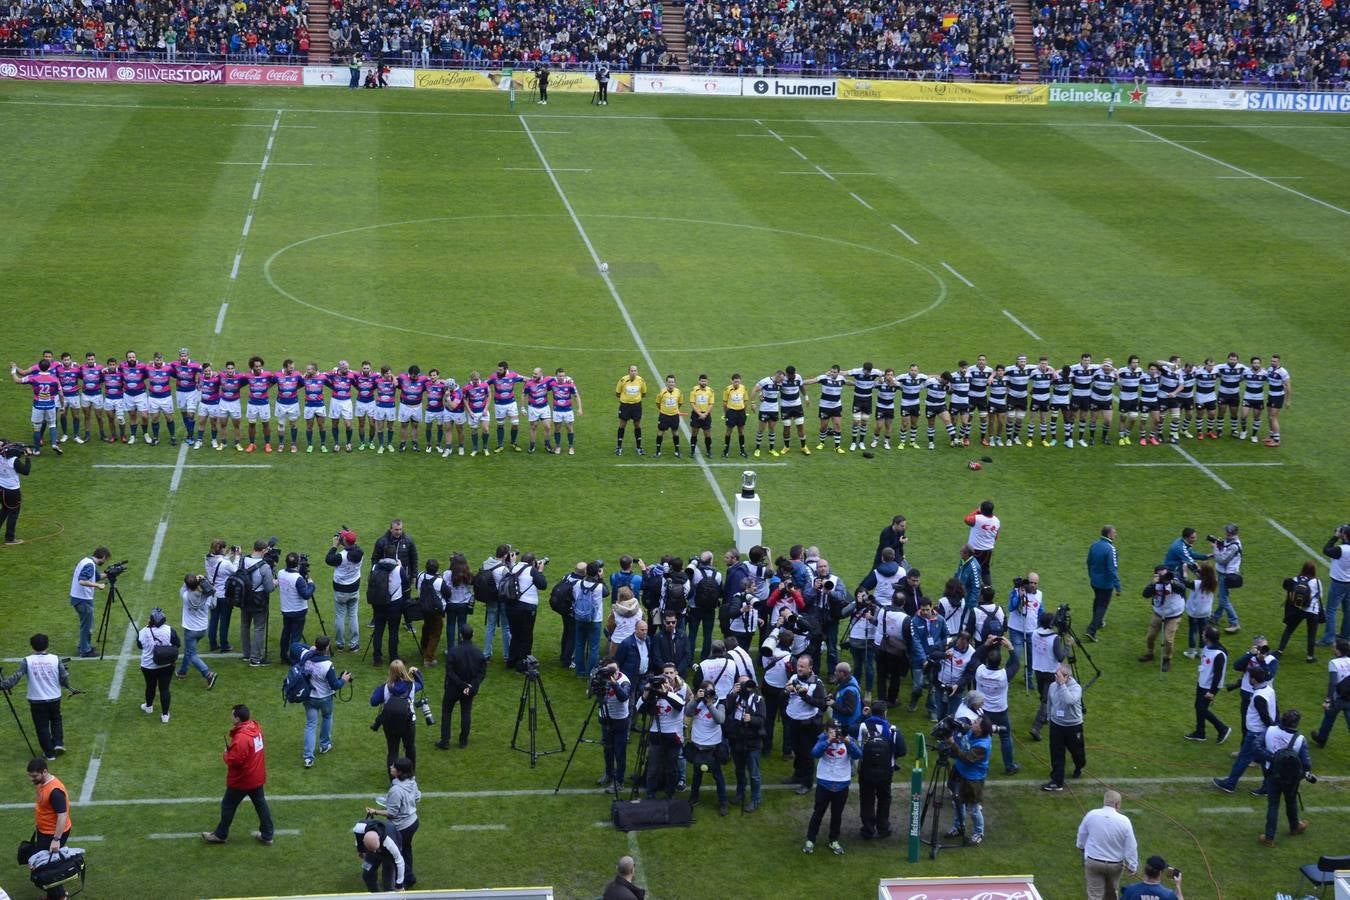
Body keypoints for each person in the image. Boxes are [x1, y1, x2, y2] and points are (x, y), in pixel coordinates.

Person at [202, 704, 274, 846]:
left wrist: (226, 753)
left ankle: (220, 835)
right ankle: (267, 835)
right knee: (260, 803)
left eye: (232, 715)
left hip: (243, 779)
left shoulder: (241, 737)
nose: (231, 716)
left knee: (228, 804)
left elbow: (235, 761)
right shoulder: (256, 728)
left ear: (238, 718)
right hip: (256, 775)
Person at [1, 635, 71, 760]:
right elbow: (64, 676)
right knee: (56, 720)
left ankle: (49, 754)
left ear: (32, 646)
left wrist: (4, 685)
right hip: (55, 697)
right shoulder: (55, 658)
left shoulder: (27, 660)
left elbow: (15, 677)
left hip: (37, 700)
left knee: (41, 726)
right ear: (47, 645)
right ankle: (58, 743)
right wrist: (66, 686)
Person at [1212, 664, 1276, 793]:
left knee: (1243, 758)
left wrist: (1271, 728)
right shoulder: (1269, 689)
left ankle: (1230, 784)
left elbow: (1264, 717)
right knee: (1265, 761)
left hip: (1256, 733)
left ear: (1253, 679)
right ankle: (1267, 786)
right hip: (1264, 732)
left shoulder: (1259, 697)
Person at [802, 720, 861, 855]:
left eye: (837, 729)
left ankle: (833, 840)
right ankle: (810, 840)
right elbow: (814, 753)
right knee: (818, 812)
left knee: (837, 814)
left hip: (842, 782)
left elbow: (858, 754)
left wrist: (848, 742)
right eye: (832, 729)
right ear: (827, 730)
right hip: (824, 781)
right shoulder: (823, 738)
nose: (836, 732)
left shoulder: (848, 739)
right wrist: (828, 741)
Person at [293, 636, 351, 767]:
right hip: (324, 698)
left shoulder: (306, 657)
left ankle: (308, 758)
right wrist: (344, 679)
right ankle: (324, 745)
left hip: (309, 697)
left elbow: (294, 645)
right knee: (327, 716)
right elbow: (335, 685)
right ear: (326, 648)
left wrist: (309, 648)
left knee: (310, 725)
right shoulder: (327, 665)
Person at [1258, 709, 1313, 846]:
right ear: (1296, 724)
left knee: (1273, 805)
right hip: (1291, 777)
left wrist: (1272, 758)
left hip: (1271, 773)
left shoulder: (1269, 730)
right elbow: (1306, 764)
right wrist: (1300, 775)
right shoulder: (1300, 740)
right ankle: (1294, 826)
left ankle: (1269, 838)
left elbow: (1257, 747)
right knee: (1291, 801)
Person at [364, 757, 420, 887]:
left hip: (401, 827)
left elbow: (392, 813)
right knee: (406, 849)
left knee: (396, 855)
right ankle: (409, 877)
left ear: (400, 772)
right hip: (413, 822)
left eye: (393, 767)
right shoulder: (412, 781)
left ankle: (402, 880)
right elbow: (417, 797)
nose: (391, 767)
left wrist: (375, 811)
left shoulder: (396, 790)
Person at [967, 636, 1019, 774]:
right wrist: (1011, 648)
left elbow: (974, 658)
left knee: (980, 736)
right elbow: (1015, 664)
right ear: (1000, 662)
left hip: (982, 711)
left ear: (987, 660)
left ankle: (976, 761)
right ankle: (1009, 766)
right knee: (1005, 736)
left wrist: (986, 644)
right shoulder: (1004, 675)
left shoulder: (980, 671)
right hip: (1000, 711)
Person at [1076, 790, 1138, 900]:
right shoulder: (1124, 821)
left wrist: (1081, 846)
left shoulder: (1091, 815)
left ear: (1104, 801)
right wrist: (1132, 865)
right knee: (1111, 896)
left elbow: (1082, 834)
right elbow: (1131, 846)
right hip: (1115, 865)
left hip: (1094, 862)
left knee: (1094, 896)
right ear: (1117, 804)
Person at [856, 700, 905, 839]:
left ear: (871, 712)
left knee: (866, 799)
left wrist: (862, 716)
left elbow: (849, 730)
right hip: (885, 771)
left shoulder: (863, 726)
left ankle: (868, 829)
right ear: (885, 713)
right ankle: (883, 828)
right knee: (884, 799)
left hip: (866, 769)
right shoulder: (892, 729)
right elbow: (903, 750)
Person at [639, 662, 687, 799]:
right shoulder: (653, 698)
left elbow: (679, 705)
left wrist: (665, 694)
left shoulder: (677, 695)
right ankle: (650, 793)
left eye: (665, 683)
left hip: (673, 737)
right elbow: (639, 708)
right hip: (656, 736)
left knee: (671, 768)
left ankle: (670, 793)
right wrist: (647, 692)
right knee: (653, 767)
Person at [26, 757, 73, 897]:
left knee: (45, 867)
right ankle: (57, 893)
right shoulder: (42, 782)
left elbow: (62, 816)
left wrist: (56, 839)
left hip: (53, 834)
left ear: (44, 772)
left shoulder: (55, 792)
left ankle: (59, 896)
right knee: (44, 864)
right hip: (44, 831)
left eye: (34, 776)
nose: (32, 779)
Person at [783, 654, 828, 794]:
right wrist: (786, 691)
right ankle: (797, 775)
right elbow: (784, 697)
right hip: (793, 720)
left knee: (807, 753)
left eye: (803, 666)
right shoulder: (793, 678)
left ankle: (807, 783)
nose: (799, 669)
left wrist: (805, 696)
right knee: (796, 749)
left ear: (810, 667)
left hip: (808, 723)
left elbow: (823, 705)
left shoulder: (817, 683)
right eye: (798, 666)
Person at [437, 623, 486, 750]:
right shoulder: (479, 653)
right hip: (469, 688)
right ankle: (463, 741)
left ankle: (445, 740)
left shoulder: (453, 652)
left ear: (460, 636)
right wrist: (470, 686)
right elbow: (482, 673)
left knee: (447, 711)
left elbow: (450, 672)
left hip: (453, 687)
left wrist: (462, 684)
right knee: (466, 712)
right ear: (472, 635)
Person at [684, 680, 729, 815]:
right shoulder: (697, 703)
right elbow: (688, 712)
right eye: (705, 691)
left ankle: (723, 802)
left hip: (713, 748)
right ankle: (694, 797)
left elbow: (720, 719)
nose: (708, 694)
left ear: (714, 692)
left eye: (710, 691)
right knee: (697, 775)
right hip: (697, 746)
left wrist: (709, 705)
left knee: (718, 776)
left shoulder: (719, 704)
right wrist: (696, 698)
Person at [944, 714, 991, 845]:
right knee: (957, 802)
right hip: (959, 772)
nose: (973, 722)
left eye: (976, 722)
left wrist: (952, 744)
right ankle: (958, 826)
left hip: (972, 780)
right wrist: (953, 721)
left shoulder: (982, 746)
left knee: (974, 808)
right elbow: (963, 727)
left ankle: (978, 833)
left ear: (980, 729)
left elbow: (966, 757)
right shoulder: (973, 731)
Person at [371, 660, 423, 770]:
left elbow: (373, 702)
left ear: (390, 672)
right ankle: (410, 776)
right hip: (408, 722)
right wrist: (416, 672)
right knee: (409, 748)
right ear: (403, 670)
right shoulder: (412, 686)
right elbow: (421, 684)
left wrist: (378, 689)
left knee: (392, 751)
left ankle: (393, 779)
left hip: (390, 723)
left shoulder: (385, 687)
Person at [1184, 626, 1232, 744]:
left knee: (1201, 709)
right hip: (1202, 682)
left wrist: (1212, 691)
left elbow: (1218, 675)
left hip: (1209, 686)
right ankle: (1200, 733)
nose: (1202, 634)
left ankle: (1222, 729)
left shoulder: (1219, 654)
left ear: (1208, 637)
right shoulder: (1208, 647)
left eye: (1204, 633)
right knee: (1199, 707)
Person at [1041, 664, 1085, 790]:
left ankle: (1079, 765)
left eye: (1059, 675)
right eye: (1056, 674)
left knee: (1077, 752)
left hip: (1073, 726)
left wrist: (1062, 685)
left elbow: (1069, 700)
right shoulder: (1052, 686)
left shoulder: (1076, 688)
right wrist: (1050, 718)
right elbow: (1049, 703)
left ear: (1067, 677)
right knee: (1056, 753)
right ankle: (1057, 781)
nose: (1056, 677)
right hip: (1056, 725)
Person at [725, 675, 765, 810]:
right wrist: (732, 694)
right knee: (739, 770)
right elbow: (727, 710)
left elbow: (762, 720)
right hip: (737, 740)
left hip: (752, 742)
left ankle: (755, 799)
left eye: (747, 683)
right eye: (742, 683)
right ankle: (740, 793)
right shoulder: (734, 697)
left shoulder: (758, 699)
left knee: (754, 773)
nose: (745, 686)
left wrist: (751, 719)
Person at [503, 552, 548, 670]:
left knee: (515, 635)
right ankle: (522, 664)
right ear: (533, 562)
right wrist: (540, 571)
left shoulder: (514, 567)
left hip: (511, 606)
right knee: (526, 636)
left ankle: (511, 661)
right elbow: (543, 585)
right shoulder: (532, 571)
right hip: (526, 608)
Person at [592, 658, 632, 787]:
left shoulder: (624, 681)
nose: (612, 673)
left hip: (620, 721)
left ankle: (619, 780)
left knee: (619, 752)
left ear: (619, 669)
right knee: (607, 749)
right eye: (609, 670)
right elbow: (589, 693)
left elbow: (623, 697)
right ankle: (609, 773)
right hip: (605, 718)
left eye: (614, 670)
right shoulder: (600, 677)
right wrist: (594, 679)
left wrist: (614, 683)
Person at [1139, 566, 1187, 672]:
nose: (1164, 577)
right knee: (1150, 636)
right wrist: (1153, 584)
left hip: (1174, 614)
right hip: (1159, 613)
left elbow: (1183, 588)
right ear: (1156, 575)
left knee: (1168, 639)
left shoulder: (1173, 580)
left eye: (1166, 574)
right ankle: (1150, 653)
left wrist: (1171, 582)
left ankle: (1166, 659)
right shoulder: (1154, 584)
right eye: (1161, 575)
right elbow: (1145, 594)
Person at [137, 607, 179, 723]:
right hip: (166, 665)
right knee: (164, 689)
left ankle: (149, 707)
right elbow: (177, 644)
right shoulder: (170, 630)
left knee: (150, 686)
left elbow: (140, 646)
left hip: (148, 666)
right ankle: (165, 715)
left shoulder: (142, 631)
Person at [238, 540, 277, 667]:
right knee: (259, 628)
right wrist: (275, 583)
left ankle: (246, 654)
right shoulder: (264, 566)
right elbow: (269, 588)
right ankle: (255, 658)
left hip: (244, 597)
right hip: (258, 600)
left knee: (245, 625)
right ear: (263, 551)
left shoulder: (243, 561)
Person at [178, 573, 219, 689]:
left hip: (190, 630)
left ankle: (208, 674)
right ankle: (182, 671)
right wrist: (206, 583)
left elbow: (184, 587)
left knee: (192, 655)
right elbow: (214, 605)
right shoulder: (206, 596)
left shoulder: (185, 595)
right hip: (202, 629)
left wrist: (193, 580)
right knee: (189, 650)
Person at [326, 529, 364, 653]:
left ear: (344, 542)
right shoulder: (360, 554)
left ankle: (340, 644)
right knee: (353, 615)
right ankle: (354, 644)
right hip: (354, 588)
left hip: (341, 589)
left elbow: (328, 559)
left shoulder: (340, 556)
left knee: (340, 616)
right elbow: (354, 546)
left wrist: (334, 546)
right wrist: (349, 536)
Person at [368, 545, 406, 667]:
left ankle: (377, 658)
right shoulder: (399, 569)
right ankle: (393, 657)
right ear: (395, 555)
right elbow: (405, 584)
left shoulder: (375, 567)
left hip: (378, 602)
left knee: (378, 629)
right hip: (395, 603)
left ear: (384, 554)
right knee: (393, 631)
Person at [68, 547, 109, 658]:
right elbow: (82, 580)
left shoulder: (87, 561)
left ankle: (84, 646)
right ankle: (85, 650)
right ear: (103, 557)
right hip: (83, 599)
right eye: (106, 559)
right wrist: (98, 585)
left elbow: (96, 577)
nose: (105, 562)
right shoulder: (90, 565)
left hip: (78, 598)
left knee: (85, 624)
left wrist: (109, 573)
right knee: (87, 626)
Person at [1278, 562, 1323, 662]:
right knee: (1311, 634)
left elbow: (1289, 592)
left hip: (1298, 609)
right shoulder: (1317, 581)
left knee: (1289, 630)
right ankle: (1310, 657)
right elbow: (1320, 596)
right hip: (1313, 611)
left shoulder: (1295, 579)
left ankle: (1279, 651)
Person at [277, 552, 316, 664]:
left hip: (286, 609)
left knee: (286, 633)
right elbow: (306, 595)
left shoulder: (280, 573)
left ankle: (283, 656)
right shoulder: (298, 579)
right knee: (295, 637)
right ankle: (294, 659)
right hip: (298, 611)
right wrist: (311, 584)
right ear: (298, 564)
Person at [1311, 639, 1350, 748]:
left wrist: (1328, 699)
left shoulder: (1334, 663)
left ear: (1338, 651)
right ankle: (1321, 738)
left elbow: (1333, 682)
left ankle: (1321, 739)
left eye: (1334, 647)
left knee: (1329, 717)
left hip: (1338, 697)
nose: (1333, 648)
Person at [1006, 572, 1042, 689]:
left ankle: (1029, 678)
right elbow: (1011, 607)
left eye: (1035, 583)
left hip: (1031, 630)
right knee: (1016, 654)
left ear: (1038, 584)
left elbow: (1040, 610)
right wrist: (1019, 595)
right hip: (1016, 629)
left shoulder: (1040, 595)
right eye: (1030, 582)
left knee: (1031, 656)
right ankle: (1006, 676)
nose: (1032, 585)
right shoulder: (1017, 591)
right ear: (1027, 581)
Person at [573, 561, 608, 677]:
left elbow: (575, 596)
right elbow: (606, 592)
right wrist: (601, 578)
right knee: (594, 647)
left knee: (579, 645)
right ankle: (591, 673)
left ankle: (580, 672)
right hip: (594, 620)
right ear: (597, 572)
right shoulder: (599, 587)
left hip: (579, 617)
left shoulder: (578, 584)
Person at [1085, 525, 1120, 641]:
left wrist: (1091, 575)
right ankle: (1091, 631)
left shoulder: (1094, 545)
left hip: (1094, 581)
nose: (1115, 534)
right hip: (1106, 584)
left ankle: (1099, 623)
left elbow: (1089, 562)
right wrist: (1118, 586)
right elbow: (1112, 569)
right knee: (1102, 606)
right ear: (1109, 534)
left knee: (1097, 600)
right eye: (1114, 532)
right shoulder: (1110, 549)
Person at [352, 818, 404, 892]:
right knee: (367, 875)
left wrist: (399, 885)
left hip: (388, 851)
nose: (375, 852)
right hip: (372, 846)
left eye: (376, 850)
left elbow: (399, 861)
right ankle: (375, 895)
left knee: (388, 878)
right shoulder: (359, 828)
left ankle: (389, 894)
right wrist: (360, 850)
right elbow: (358, 839)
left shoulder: (390, 843)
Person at [206, 540, 239, 654]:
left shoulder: (208, 559)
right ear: (222, 549)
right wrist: (237, 557)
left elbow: (220, 563)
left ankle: (213, 644)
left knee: (214, 619)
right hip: (224, 596)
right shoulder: (224, 563)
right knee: (224, 621)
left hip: (213, 594)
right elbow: (235, 570)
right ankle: (224, 644)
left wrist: (229, 555)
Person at [1209, 524, 1243, 634]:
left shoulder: (1234, 546)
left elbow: (1222, 560)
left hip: (1227, 575)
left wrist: (1214, 548)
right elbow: (1224, 552)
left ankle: (1234, 623)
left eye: (1227, 532)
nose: (1225, 534)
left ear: (1231, 533)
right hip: (1224, 573)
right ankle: (1215, 617)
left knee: (1223, 599)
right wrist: (1219, 545)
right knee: (1223, 596)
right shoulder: (1229, 541)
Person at [1319, 525, 1350, 646]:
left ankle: (1328, 639)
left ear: (1345, 535)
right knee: (1348, 610)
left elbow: (1326, 549)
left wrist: (1335, 537)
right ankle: (1345, 636)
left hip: (1339, 583)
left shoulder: (1341, 550)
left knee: (1331, 610)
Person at [0, 438, 32, 545]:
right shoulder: (13, 461)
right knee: (13, 513)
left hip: (1, 488)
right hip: (12, 491)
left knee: (4, 510)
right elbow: (26, 471)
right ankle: (10, 538)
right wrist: (28, 457)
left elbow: (10, 453)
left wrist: (20, 452)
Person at [1183, 562, 1217, 658]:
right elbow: (1203, 577)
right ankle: (1201, 651)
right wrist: (1197, 568)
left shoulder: (1196, 583)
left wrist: (1185, 571)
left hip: (1194, 611)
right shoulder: (1214, 581)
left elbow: (1186, 582)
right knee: (1203, 632)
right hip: (1205, 612)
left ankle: (1191, 652)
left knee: (1193, 631)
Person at [963, 500, 1000, 582]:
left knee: (970, 569)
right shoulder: (997, 521)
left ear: (982, 509)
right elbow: (996, 537)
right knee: (985, 571)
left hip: (974, 550)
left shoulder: (977, 518)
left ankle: (968, 589)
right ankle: (988, 589)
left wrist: (977, 511)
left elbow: (966, 519)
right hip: (988, 551)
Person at [614, 364, 647, 455]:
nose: (633, 372)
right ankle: (619, 447)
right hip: (625, 406)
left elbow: (644, 393)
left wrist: (635, 399)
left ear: (637, 372)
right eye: (632, 371)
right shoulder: (623, 380)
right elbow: (617, 393)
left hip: (636, 406)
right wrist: (626, 399)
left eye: (635, 371)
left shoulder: (641, 381)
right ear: (628, 372)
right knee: (622, 425)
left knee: (637, 425)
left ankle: (639, 447)